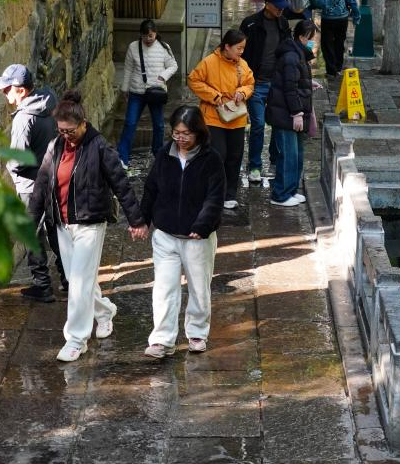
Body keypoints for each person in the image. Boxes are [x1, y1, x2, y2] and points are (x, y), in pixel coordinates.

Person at [29, 91, 148, 362]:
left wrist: (136, 219)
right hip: (62, 223)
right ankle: (105, 311)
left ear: (83, 123)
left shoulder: (100, 147)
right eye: (61, 130)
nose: (66, 136)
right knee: (78, 280)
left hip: (90, 223)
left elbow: (121, 183)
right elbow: (41, 184)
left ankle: (76, 339)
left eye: (70, 131)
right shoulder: (55, 146)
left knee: (79, 283)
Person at [140, 106, 225, 358]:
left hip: (197, 239)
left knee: (199, 288)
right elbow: (151, 189)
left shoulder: (211, 160)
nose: (181, 138)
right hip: (166, 236)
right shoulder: (164, 155)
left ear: (198, 132)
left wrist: (202, 225)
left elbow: (215, 198)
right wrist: (141, 220)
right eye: (177, 133)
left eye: (186, 133)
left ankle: (197, 333)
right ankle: (161, 339)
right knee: (164, 288)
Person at [0, 63, 67, 302]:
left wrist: (9, 167)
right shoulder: (49, 102)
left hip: (30, 185)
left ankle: (42, 285)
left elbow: (18, 159)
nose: (5, 94)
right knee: (55, 230)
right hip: (52, 178)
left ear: (21, 90)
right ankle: (70, 278)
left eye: (7, 89)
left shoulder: (24, 117)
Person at [187, 30, 255, 210]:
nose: (241, 51)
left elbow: (250, 84)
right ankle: (213, 192)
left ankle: (229, 194)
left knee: (235, 156)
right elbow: (193, 80)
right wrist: (214, 96)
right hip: (213, 117)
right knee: (218, 155)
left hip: (236, 117)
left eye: (243, 48)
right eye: (239, 48)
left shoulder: (242, 64)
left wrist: (242, 93)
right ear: (227, 46)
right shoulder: (209, 62)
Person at [240, 0, 292, 183]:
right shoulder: (250, 23)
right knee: (258, 124)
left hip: (276, 83)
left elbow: (288, 50)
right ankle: (255, 165)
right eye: (278, 6)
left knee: (278, 123)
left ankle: (275, 160)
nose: (281, 10)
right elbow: (240, 52)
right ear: (267, 5)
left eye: (282, 7)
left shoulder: (283, 23)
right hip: (255, 84)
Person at [267, 20, 316, 207]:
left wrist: (309, 84)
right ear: (302, 37)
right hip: (286, 114)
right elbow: (289, 88)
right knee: (288, 155)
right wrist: (296, 113)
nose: (312, 42)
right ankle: (280, 194)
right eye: (311, 38)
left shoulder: (298, 54)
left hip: (293, 112)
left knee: (297, 155)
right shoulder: (291, 56)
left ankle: (291, 190)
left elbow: (296, 81)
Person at [117, 19, 178, 169]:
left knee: (159, 125)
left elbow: (173, 65)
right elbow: (128, 69)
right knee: (130, 123)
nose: (148, 39)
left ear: (155, 33)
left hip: (156, 92)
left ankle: (158, 153)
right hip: (137, 92)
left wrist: (163, 76)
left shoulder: (164, 47)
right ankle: (122, 157)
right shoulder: (133, 47)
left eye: (151, 35)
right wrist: (125, 89)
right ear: (141, 35)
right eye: (145, 36)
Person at [317, 0, 360, 77]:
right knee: (339, 43)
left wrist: (327, 8)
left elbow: (320, 3)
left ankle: (331, 70)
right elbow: (353, 3)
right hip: (342, 20)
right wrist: (356, 17)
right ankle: (338, 67)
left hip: (328, 20)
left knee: (327, 44)